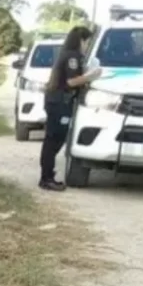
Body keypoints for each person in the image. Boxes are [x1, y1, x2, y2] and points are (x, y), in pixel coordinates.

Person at [38, 26, 102, 191]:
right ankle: (46, 178)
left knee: (54, 140)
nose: (87, 45)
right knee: (54, 140)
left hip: (57, 101)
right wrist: (91, 76)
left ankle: (47, 176)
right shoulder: (72, 57)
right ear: (81, 40)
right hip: (59, 102)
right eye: (87, 42)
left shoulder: (68, 55)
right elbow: (71, 82)